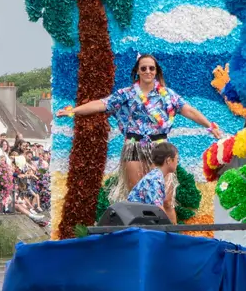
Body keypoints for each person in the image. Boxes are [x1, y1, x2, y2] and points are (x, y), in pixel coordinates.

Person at [58, 54, 223, 194]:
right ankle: (139, 230)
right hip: (134, 145)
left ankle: (162, 230)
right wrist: (74, 110)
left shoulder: (168, 95)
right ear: (137, 71)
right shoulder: (127, 93)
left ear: (156, 71)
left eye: (151, 68)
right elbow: (102, 104)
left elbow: (189, 111)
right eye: (143, 68)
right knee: (136, 193)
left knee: (163, 195)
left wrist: (209, 126)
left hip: (159, 146)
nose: (148, 71)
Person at [127, 139, 179, 224]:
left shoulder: (155, 175)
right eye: (177, 159)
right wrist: (169, 229)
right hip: (136, 223)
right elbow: (158, 210)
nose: (177, 163)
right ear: (168, 160)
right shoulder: (156, 179)